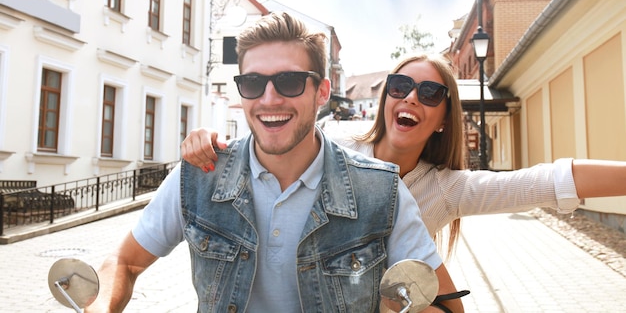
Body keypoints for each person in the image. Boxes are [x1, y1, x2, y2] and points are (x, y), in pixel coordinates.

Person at [87, 13, 465, 313]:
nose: (269, 99)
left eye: (288, 81)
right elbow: (124, 262)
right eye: (253, 83)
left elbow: (445, 306)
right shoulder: (199, 176)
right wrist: (101, 306)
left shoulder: (380, 190)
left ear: (322, 91)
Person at [181, 53, 626, 255]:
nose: (412, 97)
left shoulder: (447, 190)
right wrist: (208, 139)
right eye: (400, 86)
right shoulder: (333, 139)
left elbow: (546, 182)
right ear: (386, 98)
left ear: (444, 118)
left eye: (430, 93)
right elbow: (269, 135)